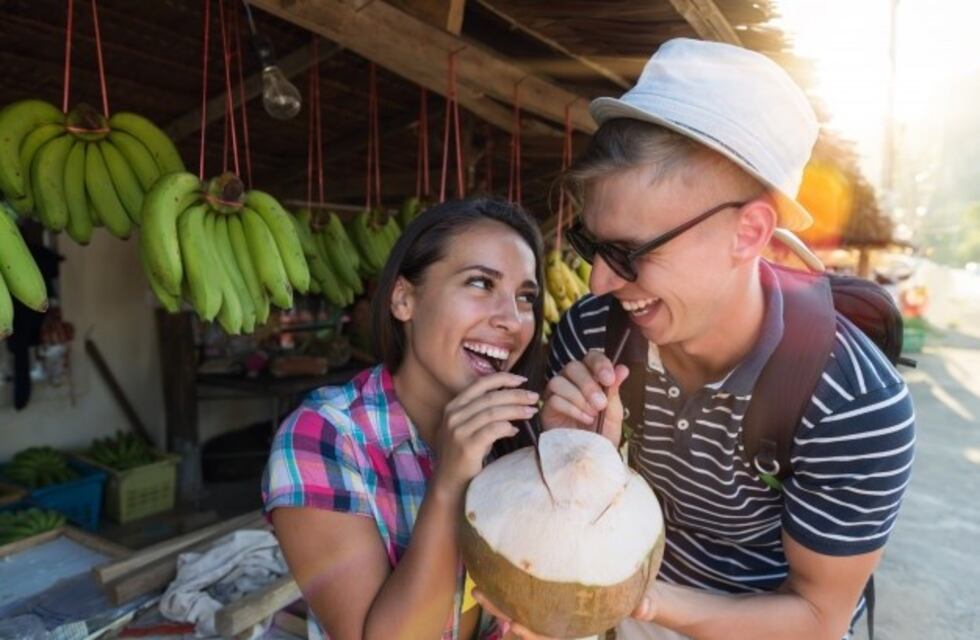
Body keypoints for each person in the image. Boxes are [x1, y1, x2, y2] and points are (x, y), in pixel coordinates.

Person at [477, 39, 916, 640]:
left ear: (749, 232)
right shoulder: (595, 331)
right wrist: (567, 456)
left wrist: (639, 603)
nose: (602, 281)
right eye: (592, 247)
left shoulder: (852, 403)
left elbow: (818, 616)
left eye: (630, 253)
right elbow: (573, 523)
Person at [263, 198, 546, 640]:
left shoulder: (518, 437)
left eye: (525, 297)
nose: (511, 319)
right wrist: (450, 481)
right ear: (403, 299)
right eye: (479, 283)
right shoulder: (323, 438)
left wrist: (576, 456)